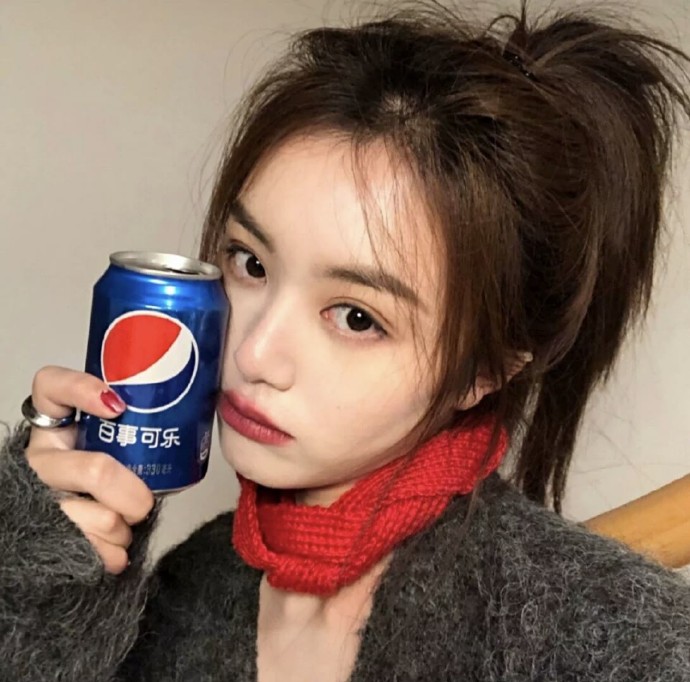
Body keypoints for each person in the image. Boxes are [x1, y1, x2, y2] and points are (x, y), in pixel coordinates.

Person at [2, 1, 690, 680]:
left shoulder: (617, 643)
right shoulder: (188, 592)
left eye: (357, 317)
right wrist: (44, 587)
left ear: (483, 371)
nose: (253, 354)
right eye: (250, 263)